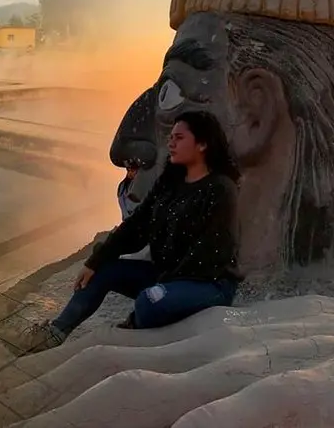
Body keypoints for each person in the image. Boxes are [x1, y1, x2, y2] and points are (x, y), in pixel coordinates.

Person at [21, 111, 243, 352]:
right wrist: (96, 260)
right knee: (102, 270)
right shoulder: (170, 181)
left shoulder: (221, 189)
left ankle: (130, 333)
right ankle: (54, 333)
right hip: (166, 275)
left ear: (202, 143)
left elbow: (211, 252)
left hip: (207, 283)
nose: (170, 143)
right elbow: (137, 225)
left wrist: (163, 285)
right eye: (171, 137)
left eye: (179, 138)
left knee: (149, 301)